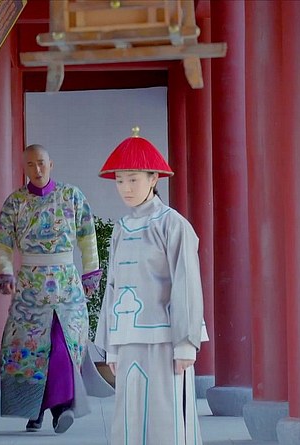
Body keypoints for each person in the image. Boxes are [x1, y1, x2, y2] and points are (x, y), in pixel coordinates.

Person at [95, 127, 206, 445]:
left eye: (133, 179)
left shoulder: (173, 224)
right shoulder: (121, 228)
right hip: (128, 338)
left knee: (166, 416)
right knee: (129, 417)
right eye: (120, 181)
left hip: (165, 339)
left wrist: (186, 343)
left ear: (153, 178)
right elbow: (112, 286)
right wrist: (112, 344)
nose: (125, 188)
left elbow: (186, 282)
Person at [0, 144, 102, 434]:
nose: (37, 169)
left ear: (51, 164)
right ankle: (34, 410)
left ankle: (61, 408)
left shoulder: (71, 196)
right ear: (23, 167)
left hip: (66, 287)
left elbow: (87, 237)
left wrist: (90, 273)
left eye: (41, 163)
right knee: (30, 348)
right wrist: (4, 271)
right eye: (30, 164)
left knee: (63, 344)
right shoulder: (16, 202)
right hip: (30, 287)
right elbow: (0, 242)